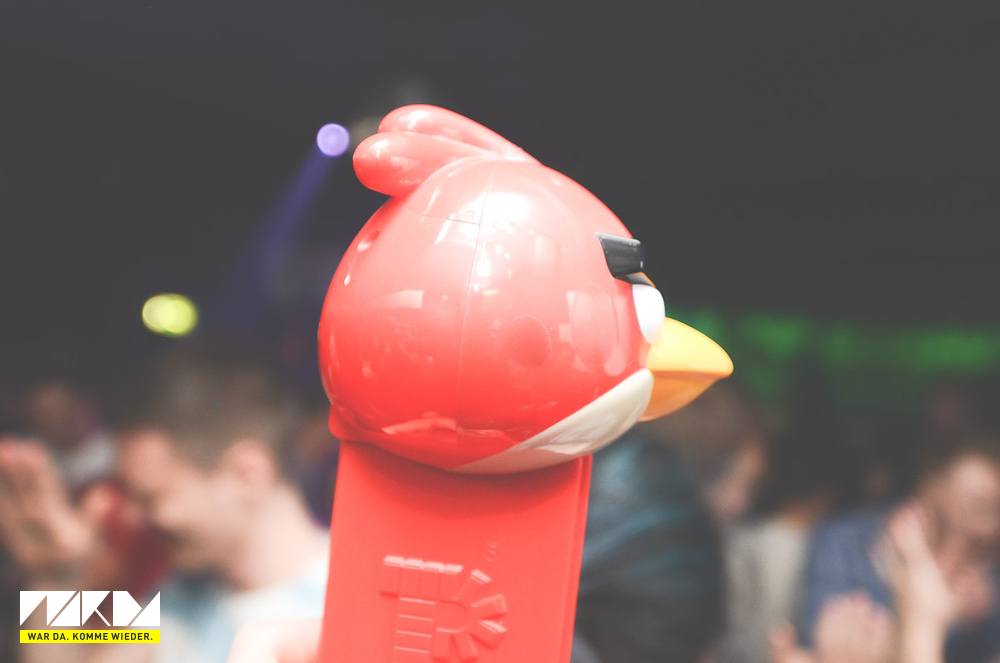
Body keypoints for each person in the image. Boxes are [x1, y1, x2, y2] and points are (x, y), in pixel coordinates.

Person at [795, 430, 1000, 662]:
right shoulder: (845, 543)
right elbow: (832, 646)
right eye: (981, 507)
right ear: (932, 488)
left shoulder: (989, 585)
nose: (993, 526)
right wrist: (930, 619)